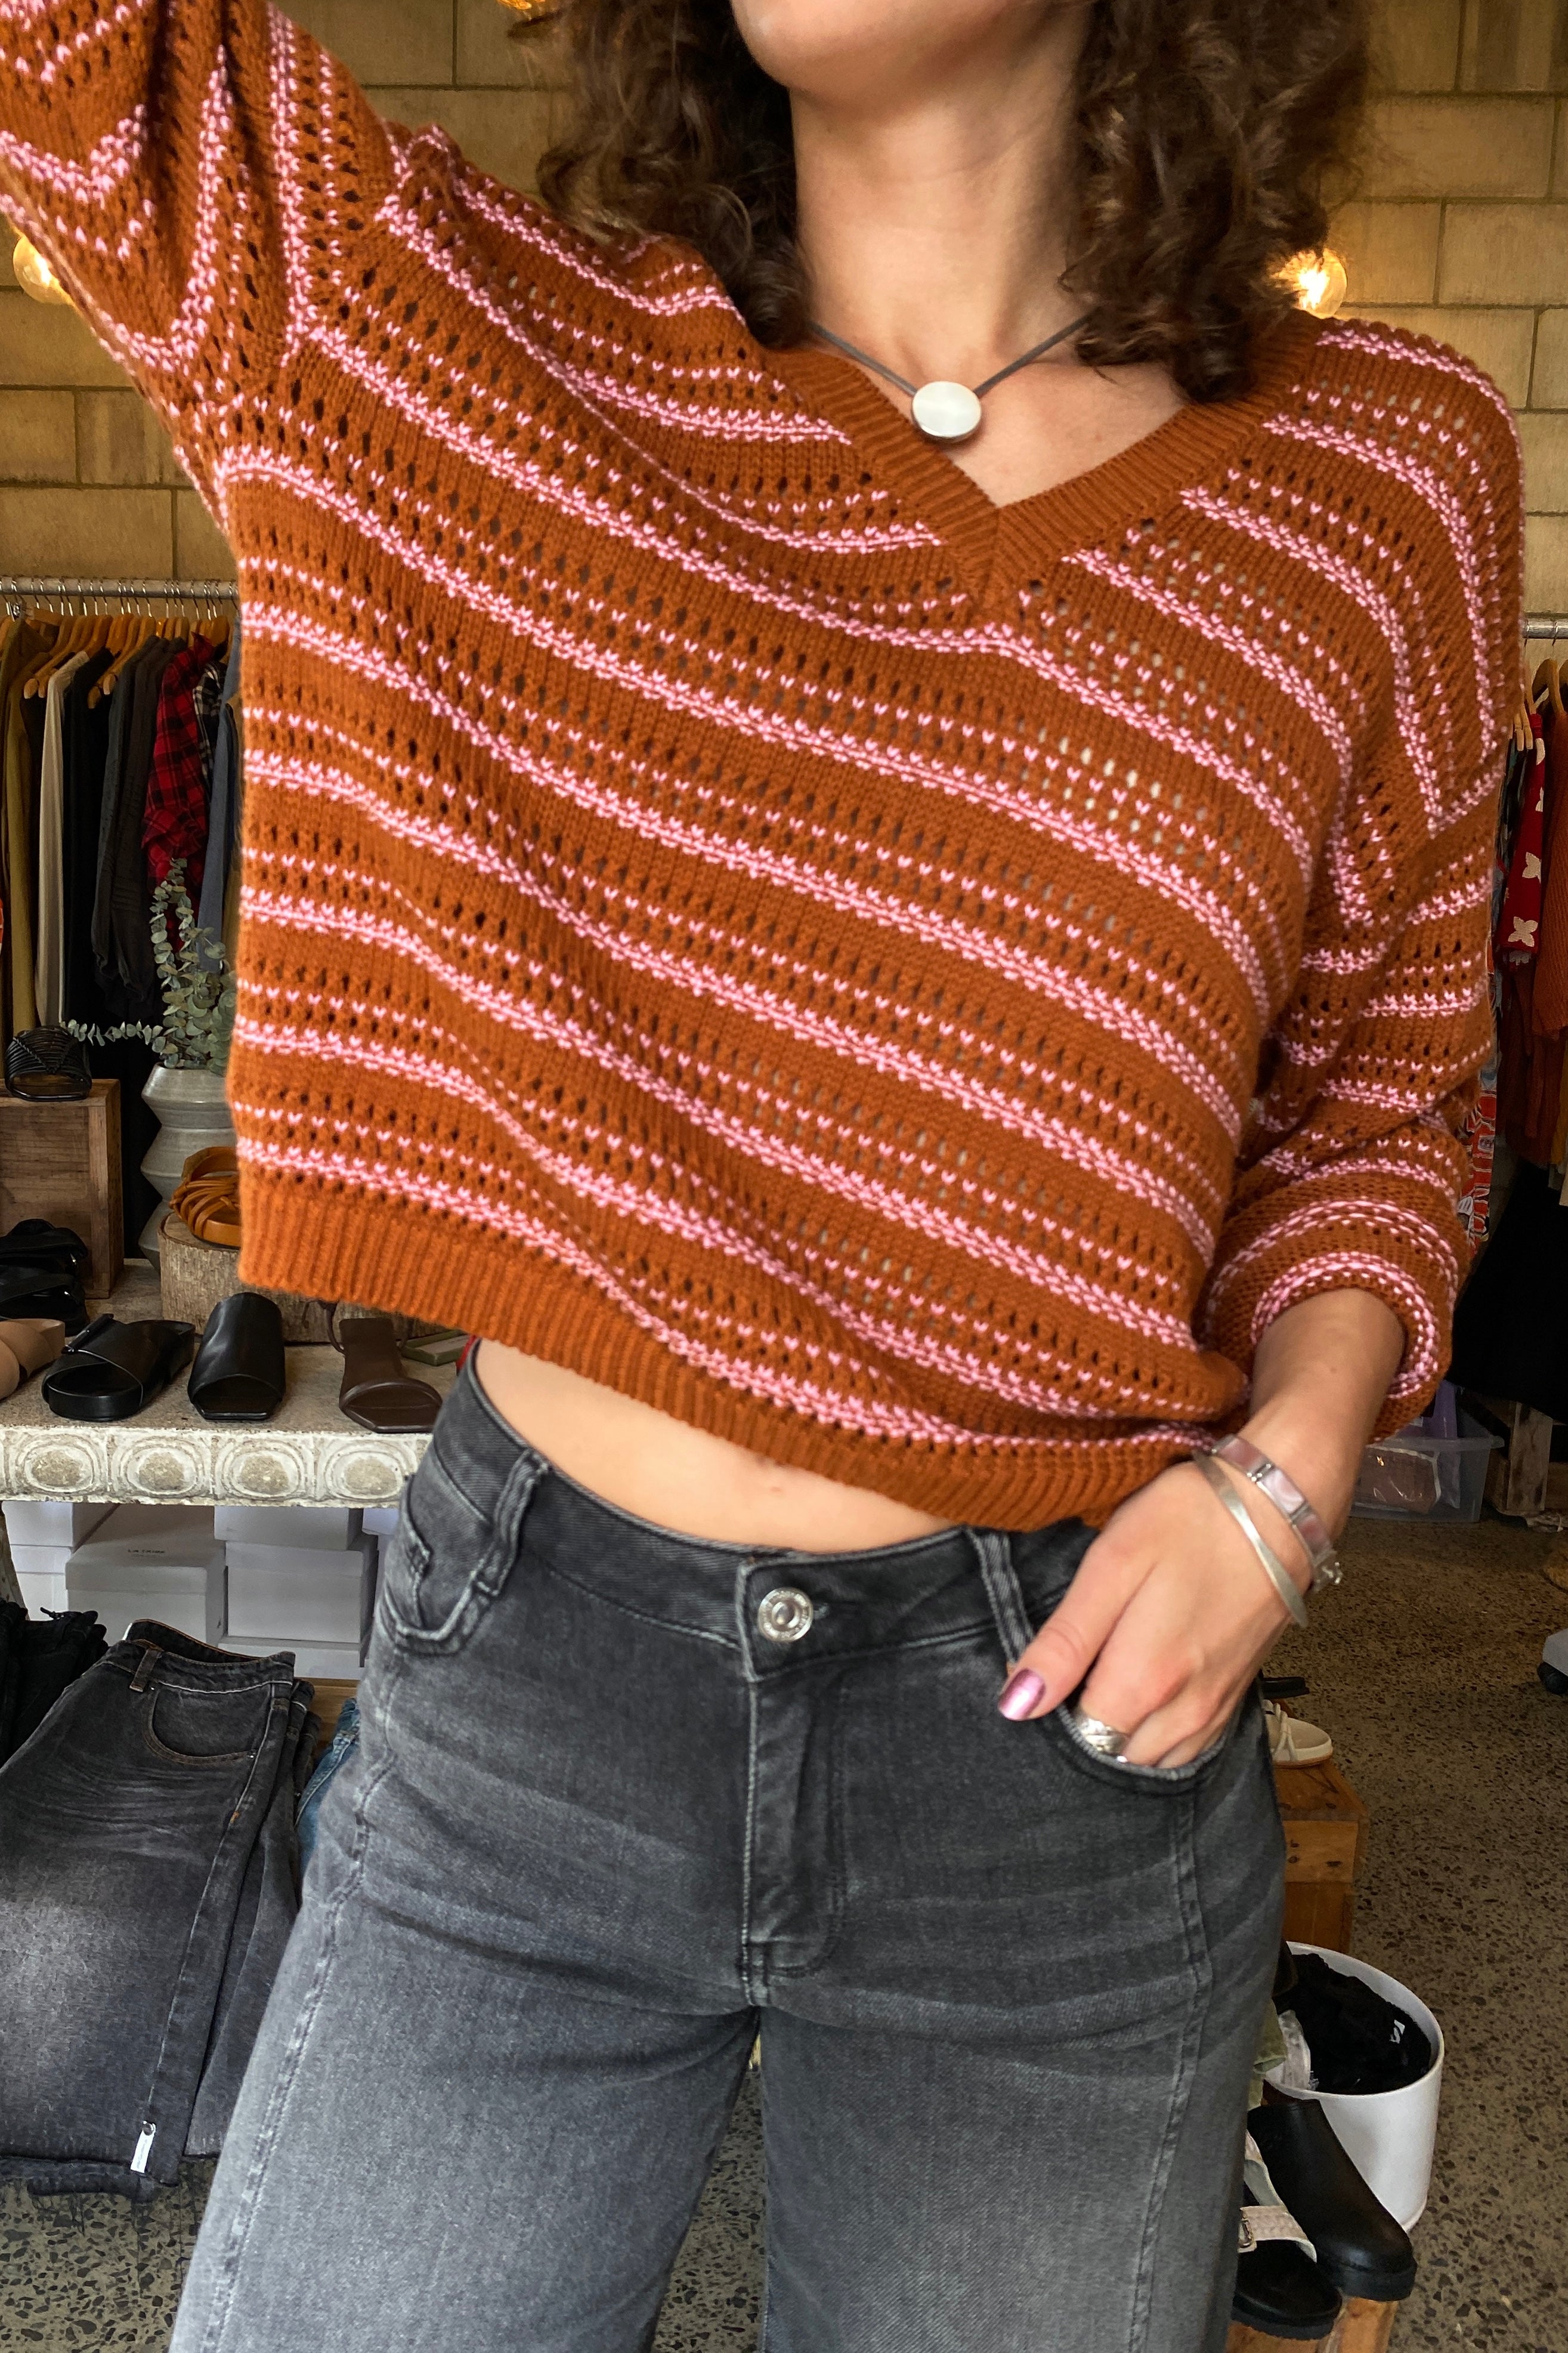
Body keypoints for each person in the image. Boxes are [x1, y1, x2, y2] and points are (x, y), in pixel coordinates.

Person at [0, 0, 1521, 2345]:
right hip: (534, 1697)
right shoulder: (438, 339)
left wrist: (1286, 1484)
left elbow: (1384, 1107)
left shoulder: (1379, 473)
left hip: (1059, 1744)